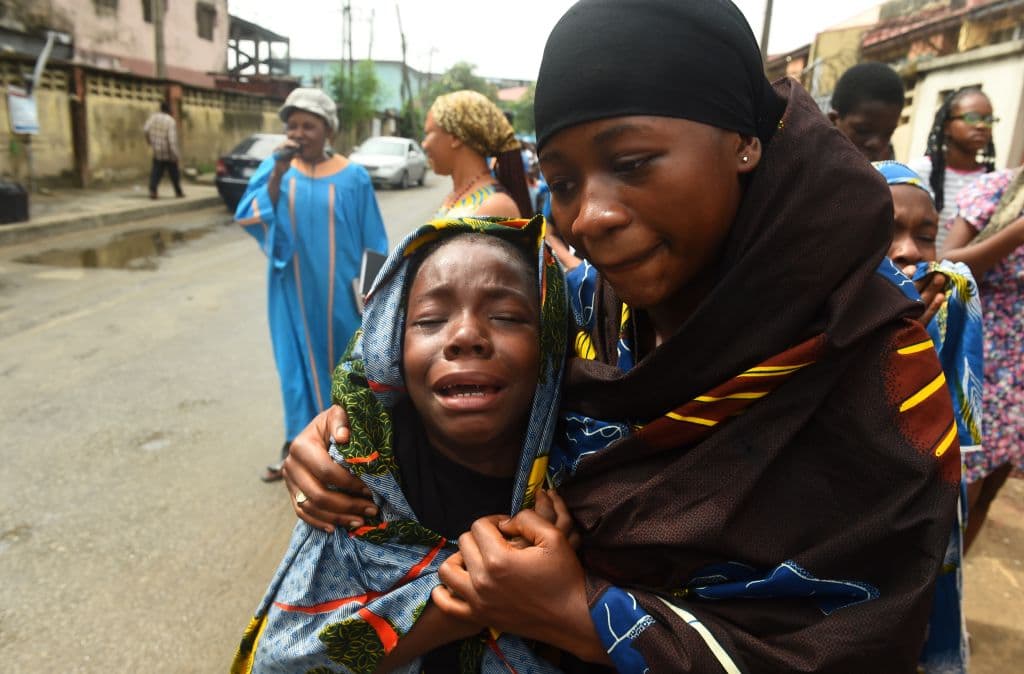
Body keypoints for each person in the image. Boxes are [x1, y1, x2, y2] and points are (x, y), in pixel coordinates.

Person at [282, 1, 960, 670]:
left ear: (745, 141)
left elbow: (865, 638)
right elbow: (443, 372)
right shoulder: (582, 310)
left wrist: (579, 615)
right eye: (564, 182)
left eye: (632, 162)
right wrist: (344, 432)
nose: (590, 218)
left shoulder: (877, 369)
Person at [232, 216, 573, 672]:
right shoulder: (358, 481)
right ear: (390, 349)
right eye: (431, 320)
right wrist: (472, 599)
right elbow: (284, 661)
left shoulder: (584, 480)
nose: (466, 336)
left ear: (551, 343)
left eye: (507, 316)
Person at [235, 87, 388, 483]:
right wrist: (276, 177)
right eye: (293, 126)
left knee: (342, 369)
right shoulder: (275, 168)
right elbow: (249, 214)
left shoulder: (353, 176)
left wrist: (374, 298)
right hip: (290, 289)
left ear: (328, 131)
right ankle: (296, 448)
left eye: (309, 125)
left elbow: (375, 239)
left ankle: (344, 453)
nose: (299, 133)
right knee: (294, 368)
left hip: (341, 295)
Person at [874, 160, 981, 673]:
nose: (911, 251)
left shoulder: (937, 310)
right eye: (887, 230)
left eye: (926, 235)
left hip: (916, 517)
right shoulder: (804, 320)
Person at [942, 161, 1024, 552]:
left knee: (989, 492)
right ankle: (923, 596)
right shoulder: (997, 189)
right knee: (960, 493)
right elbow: (951, 263)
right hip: (987, 364)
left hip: (1019, 382)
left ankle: (949, 593)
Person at [421, 90, 533, 218]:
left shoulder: (494, 206)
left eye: (428, 133)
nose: (424, 144)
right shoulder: (458, 195)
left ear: (455, 137)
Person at [910, 87, 997, 250]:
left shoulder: (993, 182)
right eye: (972, 117)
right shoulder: (919, 171)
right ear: (947, 125)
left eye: (988, 119)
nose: (981, 125)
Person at [828, 62, 905, 162]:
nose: (876, 144)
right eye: (862, 130)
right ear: (833, 122)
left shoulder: (888, 170)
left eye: (887, 134)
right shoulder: (807, 165)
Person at [143, 101, 185, 199]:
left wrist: (149, 141)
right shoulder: (170, 121)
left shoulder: (153, 117)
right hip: (168, 152)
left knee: (156, 172)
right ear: (169, 110)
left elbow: (145, 129)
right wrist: (175, 155)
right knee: (174, 173)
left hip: (157, 150)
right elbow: (171, 140)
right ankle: (178, 191)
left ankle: (153, 190)